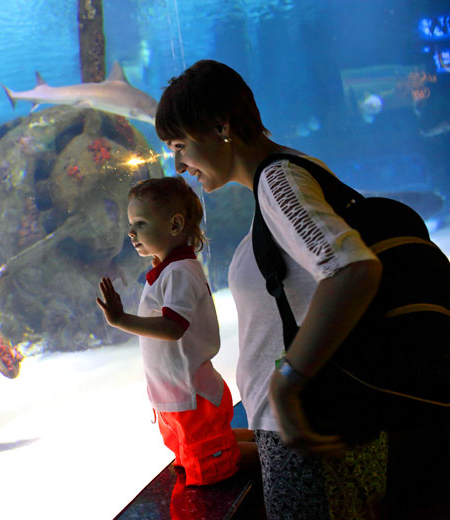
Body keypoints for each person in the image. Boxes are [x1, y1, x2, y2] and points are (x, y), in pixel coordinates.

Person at [154, 59, 389, 518]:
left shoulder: (279, 182)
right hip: (310, 426)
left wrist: (286, 383)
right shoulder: (292, 172)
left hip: (311, 428)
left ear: (221, 127)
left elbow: (353, 269)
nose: (179, 165)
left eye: (181, 146)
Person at [96, 176, 257, 487]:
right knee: (207, 450)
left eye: (141, 223)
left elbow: (173, 328)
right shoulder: (169, 270)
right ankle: (270, 445)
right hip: (176, 395)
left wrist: (120, 320)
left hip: (191, 395)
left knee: (215, 463)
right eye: (132, 223)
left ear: (174, 225)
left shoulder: (180, 272)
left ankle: (279, 457)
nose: (131, 232)